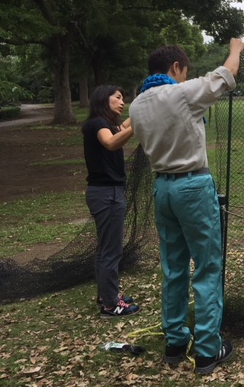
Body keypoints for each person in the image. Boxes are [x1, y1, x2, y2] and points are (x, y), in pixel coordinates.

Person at [129, 39, 244, 375]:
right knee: (207, 266)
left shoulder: (136, 105)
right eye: (184, 72)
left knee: (174, 267)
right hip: (192, 186)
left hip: (161, 188)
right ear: (176, 68)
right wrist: (236, 47)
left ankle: (175, 341)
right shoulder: (179, 93)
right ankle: (209, 350)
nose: (184, 78)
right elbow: (226, 74)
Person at [82, 85, 140, 317]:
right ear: (102, 99)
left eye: (123, 98)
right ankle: (111, 305)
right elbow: (111, 142)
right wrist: (139, 125)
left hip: (104, 193)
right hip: (107, 194)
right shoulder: (98, 124)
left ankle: (106, 295)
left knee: (105, 249)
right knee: (111, 251)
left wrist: (142, 109)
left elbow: (121, 127)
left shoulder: (103, 124)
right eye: (117, 97)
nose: (122, 102)